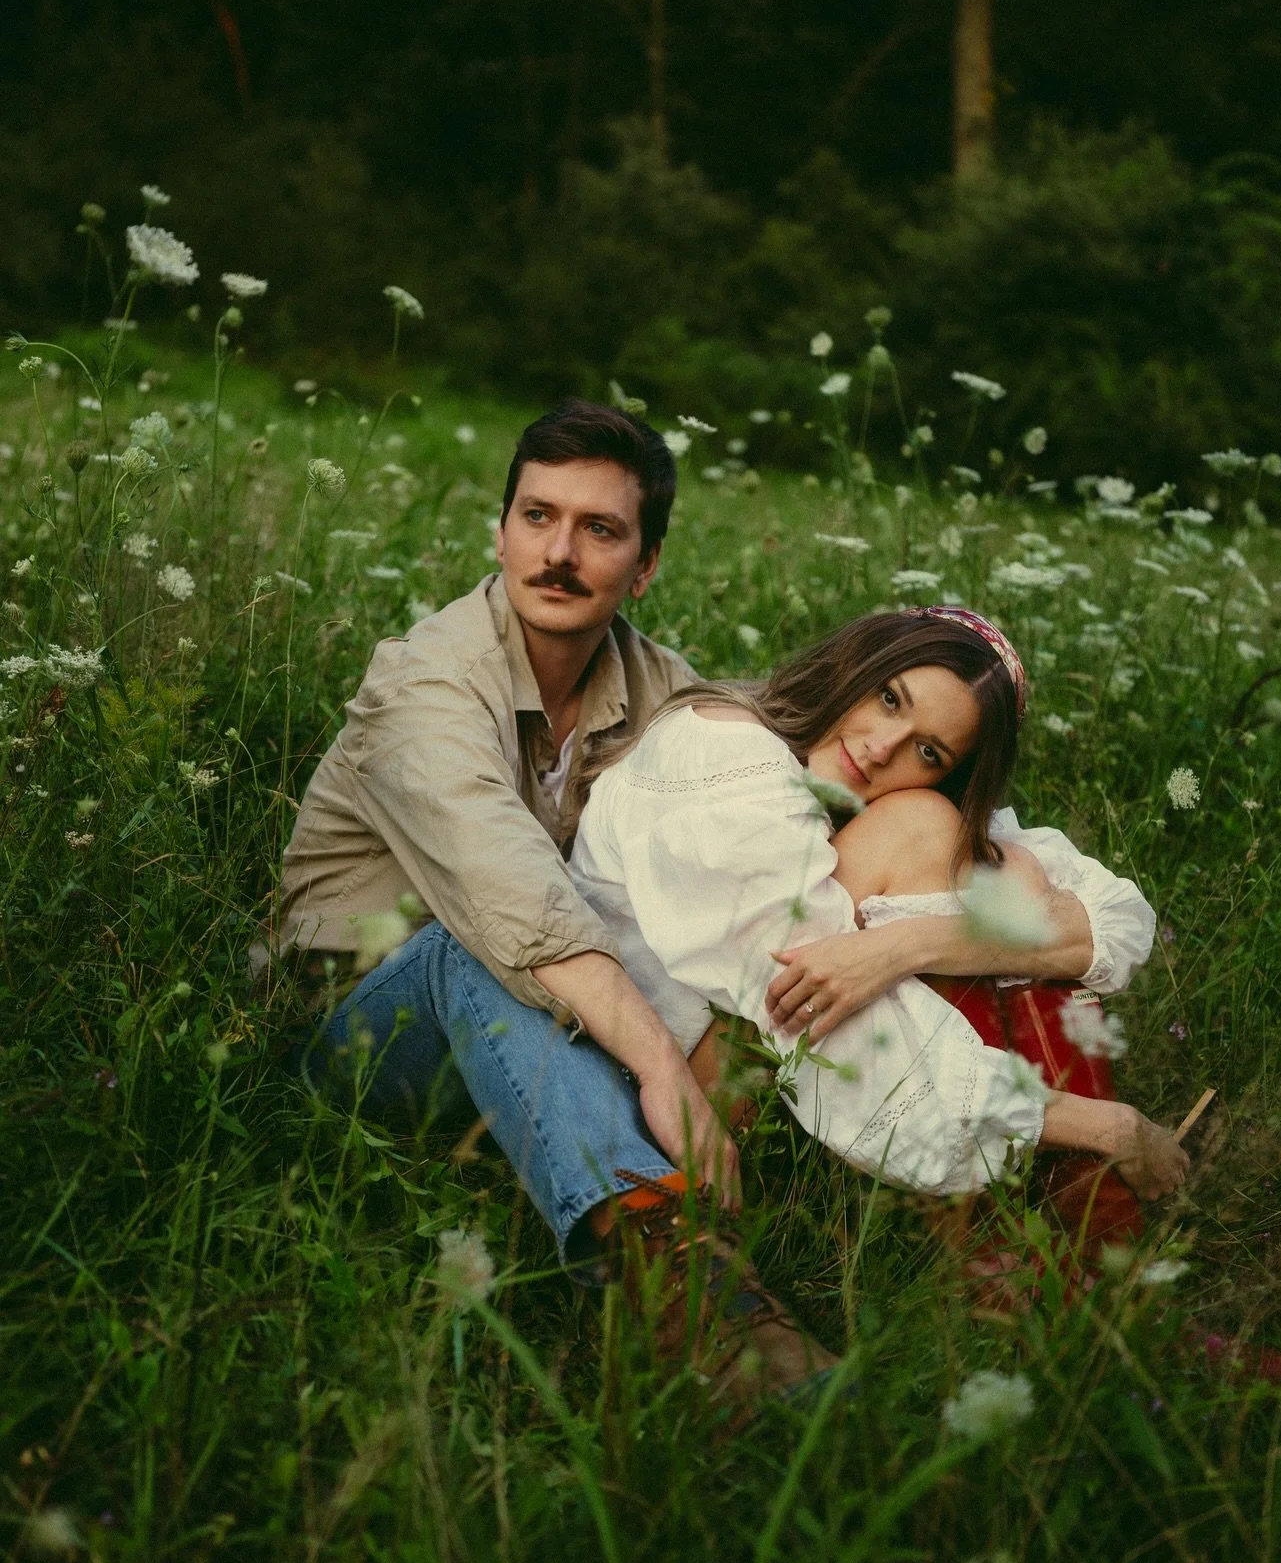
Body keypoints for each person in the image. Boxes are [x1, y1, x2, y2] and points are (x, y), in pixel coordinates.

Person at [267, 399, 832, 1406]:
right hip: (365, 1043)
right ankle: (695, 1298)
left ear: (645, 565)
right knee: (466, 949)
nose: (560, 552)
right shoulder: (426, 682)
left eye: (600, 530)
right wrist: (660, 1061)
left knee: (767, 938)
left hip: (547, 1028)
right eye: (538, 517)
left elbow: (795, 782)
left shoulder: (659, 687)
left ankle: (957, 1194)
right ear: (501, 530)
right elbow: (508, 899)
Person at [570, 606, 1190, 1208]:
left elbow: (1108, 921)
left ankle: (1045, 1197)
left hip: (750, 1069)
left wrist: (901, 946)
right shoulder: (730, 756)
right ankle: (1057, 1189)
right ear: (858, 665)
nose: (879, 748)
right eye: (890, 698)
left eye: (928, 754)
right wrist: (1104, 1127)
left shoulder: (832, 790)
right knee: (927, 834)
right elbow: (825, 1022)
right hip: (664, 1110)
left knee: (999, 867)